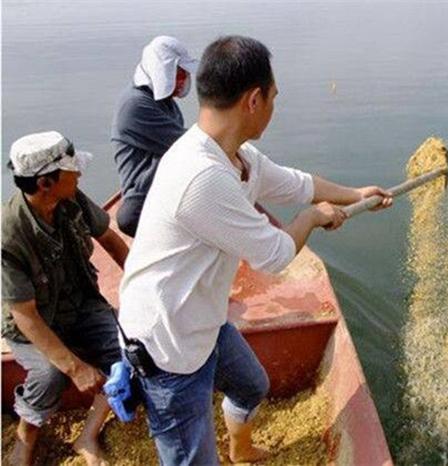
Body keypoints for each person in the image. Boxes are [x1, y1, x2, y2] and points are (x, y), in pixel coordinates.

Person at [118, 35, 393, 465]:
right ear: (253, 100)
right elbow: (276, 254)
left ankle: (240, 449)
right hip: (167, 344)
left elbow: (296, 184)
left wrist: (355, 194)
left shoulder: (235, 155)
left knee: (251, 385)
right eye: (274, 97)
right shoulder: (201, 176)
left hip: (201, 319)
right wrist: (311, 218)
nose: (274, 106)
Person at [1, 131, 129, 466]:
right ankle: (26, 440)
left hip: (81, 305)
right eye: (72, 170)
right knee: (49, 375)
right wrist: (75, 367)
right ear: (45, 183)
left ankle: (88, 435)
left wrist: (142, 291)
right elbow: (25, 315)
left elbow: (110, 239)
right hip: (36, 323)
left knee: (128, 351)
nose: (80, 174)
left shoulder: (70, 198)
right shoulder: (9, 235)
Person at [111, 36, 198, 237]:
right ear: (162, 71)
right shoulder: (136, 105)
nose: (184, 80)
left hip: (166, 185)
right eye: (179, 73)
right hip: (144, 198)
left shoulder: (164, 102)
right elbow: (187, 146)